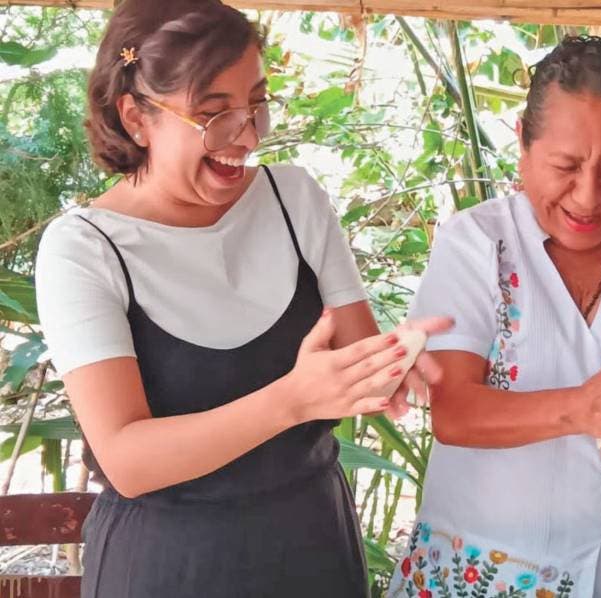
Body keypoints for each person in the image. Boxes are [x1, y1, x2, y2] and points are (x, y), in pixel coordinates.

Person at [34, 1, 448, 596]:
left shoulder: (295, 199)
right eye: (214, 114)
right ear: (136, 118)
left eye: (257, 103)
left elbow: (356, 357)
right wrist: (291, 400)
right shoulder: (84, 249)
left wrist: (392, 365)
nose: (248, 135)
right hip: (169, 565)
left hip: (313, 547)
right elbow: (128, 459)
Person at [388, 36, 601, 597]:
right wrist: (583, 407)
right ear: (521, 141)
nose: (588, 196)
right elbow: (457, 414)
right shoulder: (477, 242)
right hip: (487, 572)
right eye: (565, 165)